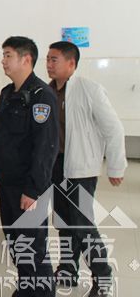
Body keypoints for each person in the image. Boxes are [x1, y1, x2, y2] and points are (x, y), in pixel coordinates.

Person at [47, 41, 126, 296]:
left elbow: (114, 129)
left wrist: (116, 166)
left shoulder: (89, 89)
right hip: (56, 167)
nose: (49, 64)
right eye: (47, 59)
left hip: (81, 169)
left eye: (54, 59)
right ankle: (67, 270)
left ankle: (103, 277)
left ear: (71, 63)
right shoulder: (47, 92)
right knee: (63, 222)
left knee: (82, 225)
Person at [0, 36, 58, 297]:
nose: (3, 61)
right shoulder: (8, 94)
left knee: (33, 249)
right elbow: (1, 139)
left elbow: (46, 148)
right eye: (3, 55)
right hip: (8, 184)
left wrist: (33, 190)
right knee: (17, 244)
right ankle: (26, 289)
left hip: (28, 188)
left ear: (26, 59)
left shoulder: (42, 97)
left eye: (8, 55)